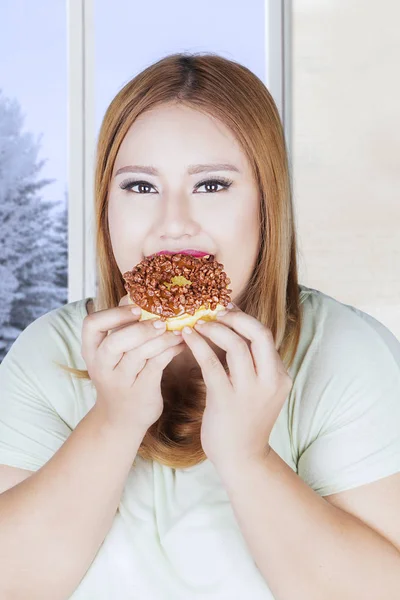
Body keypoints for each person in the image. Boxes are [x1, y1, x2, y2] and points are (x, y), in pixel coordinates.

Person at [0, 52, 400, 600]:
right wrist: (113, 423)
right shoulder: (48, 352)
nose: (174, 224)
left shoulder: (345, 352)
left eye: (212, 185)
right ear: (105, 206)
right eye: (140, 187)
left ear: (266, 203)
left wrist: (247, 458)